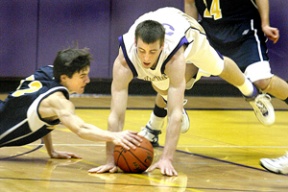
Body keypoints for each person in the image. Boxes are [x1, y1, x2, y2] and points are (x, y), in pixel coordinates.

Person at [88, 7, 273, 176]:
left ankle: (252, 94)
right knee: (160, 83)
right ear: (135, 43)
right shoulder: (124, 60)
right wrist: (110, 160)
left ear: (162, 47)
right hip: (155, 19)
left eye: (152, 52)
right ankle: (170, 97)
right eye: (142, 50)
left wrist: (166, 158)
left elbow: (174, 115)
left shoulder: (174, 55)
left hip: (187, 29)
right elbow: (116, 115)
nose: (146, 57)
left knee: (218, 66)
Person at [184, 0, 288, 175]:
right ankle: (153, 127)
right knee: (178, 72)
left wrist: (265, 23)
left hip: (243, 31)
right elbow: (190, 3)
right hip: (209, 32)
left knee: (261, 80)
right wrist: (188, 34)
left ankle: (252, 93)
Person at [0, 47, 142, 159]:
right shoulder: (57, 101)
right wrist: (114, 136)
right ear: (64, 77)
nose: (88, 80)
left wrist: (52, 151)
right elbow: (81, 129)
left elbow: (42, 117)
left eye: (87, 74)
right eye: (82, 76)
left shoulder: (48, 71)